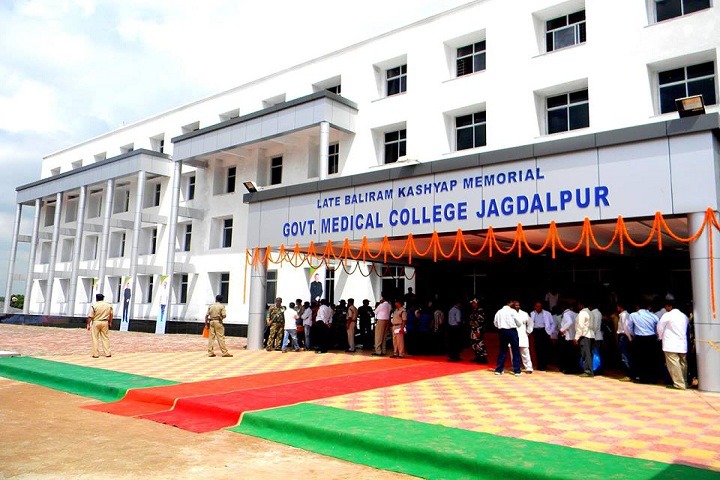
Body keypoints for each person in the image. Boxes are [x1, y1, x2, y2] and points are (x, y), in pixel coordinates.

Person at [657, 300, 689, 390]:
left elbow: (660, 328)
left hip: (670, 343)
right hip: (682, 343)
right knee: (683, 363)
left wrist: (660, 337)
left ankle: (679, 383)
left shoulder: (667, 315)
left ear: (669, 306)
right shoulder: (684, 316)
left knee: (673, 364)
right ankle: (684, 382)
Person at [627, 302, 660, 384]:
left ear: (637, 307)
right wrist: (656, 336)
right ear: (648, 307)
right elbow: (657, 329)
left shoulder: (633, 315)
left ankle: (641, 377)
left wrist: (633, 335)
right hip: (651, 338)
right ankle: (652, 378)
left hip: (639, 338)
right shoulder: (654, 316)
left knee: (639, 358)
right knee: (651, 359)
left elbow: (629, 328)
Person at [494, 300, 522, 375]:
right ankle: (517, 370)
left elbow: (495, 323)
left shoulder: (499, 312)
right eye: (512, 302)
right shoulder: (513, 311)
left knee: (502, 350)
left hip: (502, 331)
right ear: (509, 303)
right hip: (512, 331)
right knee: (515, 350)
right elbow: (519, 323)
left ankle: (499, 369)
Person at [87, 293, 113, 358]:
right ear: (103, 298)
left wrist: (88, 324)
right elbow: (111, 314)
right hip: (105, 322)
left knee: (95, 338)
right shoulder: (108, 305)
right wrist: (110, 322)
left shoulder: (94, 306)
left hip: (96, 322)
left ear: (96, 298)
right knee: (105, 337)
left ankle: (95, 354)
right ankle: (108, 353)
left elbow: (90, 316)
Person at [530, 301, 554, 370]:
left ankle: (544, 364)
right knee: (538, 348)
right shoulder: (532, 313)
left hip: (544, 331)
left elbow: (552, 323)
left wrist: (550, 332)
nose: (539, 308)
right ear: (534, 307)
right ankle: (540, 365)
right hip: (536, 331)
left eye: (540, 306)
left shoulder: (547, 313)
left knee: (545, 348)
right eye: (537, 306)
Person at [574, 301, 595, 377]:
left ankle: (588, 371)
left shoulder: (582, 313)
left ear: (581, 305)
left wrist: (576, 337)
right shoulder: (591, 313)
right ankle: (590, 370)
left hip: (584, 335)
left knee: (586, 354)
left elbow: (580, 326)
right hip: (591, 335)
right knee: (589, 354)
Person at [558, 303, 578, 374]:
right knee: (572, 354)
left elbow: (569, 322)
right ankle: (573, 368)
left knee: (567, 354)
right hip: (574, 335)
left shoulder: (566, 314)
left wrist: (562, 329)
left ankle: (567, 369)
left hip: (568, 336)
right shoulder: (575, 314)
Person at [514, 301, 533, 373]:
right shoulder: (510, 314)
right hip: (513, 335)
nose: (517, 306)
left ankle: (529, 368)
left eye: (518, 305)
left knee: (525, 352)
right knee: (514, 353)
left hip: (523, 335)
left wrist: (528, 331)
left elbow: (530, 323)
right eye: (515, 305)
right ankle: (516, 367)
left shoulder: (524, 314)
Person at [616, 302, 633, 381]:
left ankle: (628, 374)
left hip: (624, 336)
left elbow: (626, 327)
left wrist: (629, 337)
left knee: (624, 356)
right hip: (625, 336)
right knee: (625, 355)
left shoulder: (623, 315)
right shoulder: (625, 314)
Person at [468, 299, 487, 363]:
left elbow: (481, 321)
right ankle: (477, 356)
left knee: (480, 343)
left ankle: (483, 358)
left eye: (473, 303)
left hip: (478, 329)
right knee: (474, 343)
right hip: (473, 329)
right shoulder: (474, 310)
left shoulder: (480, 311)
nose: (472, 304)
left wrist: (478, 330)